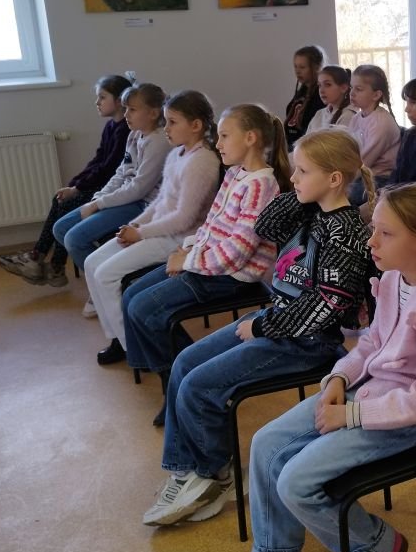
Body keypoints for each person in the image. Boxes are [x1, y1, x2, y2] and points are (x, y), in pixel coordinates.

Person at [217, 184, 416, 552]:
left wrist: (351, 414)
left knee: (295, 482)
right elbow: (371, 342)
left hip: (407, 419)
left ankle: (377, 548)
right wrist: (340, 377)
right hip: (367, 391)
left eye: (385, 234)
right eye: (374, 229)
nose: (371, 241)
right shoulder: (394, 277)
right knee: (265, 443)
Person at [142, 130, 373, 527]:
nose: (293, 178)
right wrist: (303, 194)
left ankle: (211, 475)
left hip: (307, 342)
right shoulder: (310, 209)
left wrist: (264, 326)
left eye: (302, 171)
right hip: (278, 323)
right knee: (184, 363)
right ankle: (189, 469)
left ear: (334, 179)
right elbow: (265, 225)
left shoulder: (345, 234)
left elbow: (325, 308)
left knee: (199, 386)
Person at [122, 105, 293, 390]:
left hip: (232, 277)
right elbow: (210, 224)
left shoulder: (261, 185)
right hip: (209, 263)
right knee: (131, 294)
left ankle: (180, 377)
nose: (218, 143)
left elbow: (237, 253)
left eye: (225, 136)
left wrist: (188, 262)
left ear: (250, 138)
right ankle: (174, 372)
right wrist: (189, 250)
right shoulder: (235, 173)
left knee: (143, 308)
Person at [86, 91, 221, 366]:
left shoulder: (203, 161)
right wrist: (137, 224)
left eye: (173, 122)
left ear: (196, 125)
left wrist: (141, 233)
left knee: (106, 275)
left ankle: (133, 348)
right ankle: (118, 338)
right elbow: (160, 201)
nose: (166, 127)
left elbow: (183, 218)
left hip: (177, 239)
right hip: (157, 230)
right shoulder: (177, 154)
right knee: (92, 263)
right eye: (166, 121)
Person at [0, 74, 132, 286]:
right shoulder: (110, 126)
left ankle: (47, 262)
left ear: (119, 101)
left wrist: (77, 189)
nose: (97, 102)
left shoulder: (125, 130)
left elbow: (108, 170)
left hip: (111, 189)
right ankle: (45, 261)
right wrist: (74, 184)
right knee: (60, 199)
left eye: (102, 97)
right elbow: (97, 160)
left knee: (66, 203)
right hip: (101, 185)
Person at [51, 83, 171, 300]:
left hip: (142, 205)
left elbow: (139, 188)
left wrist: (98, 204)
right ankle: (103, 285)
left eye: (132, 109)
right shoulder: (134, 135)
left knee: (74, 239)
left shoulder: (158, 141)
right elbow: (121, 172)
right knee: (60, 228)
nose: (126, 115)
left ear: (153, 113)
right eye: (125, 109)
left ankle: (107, 290)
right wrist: (99, 198)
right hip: (124, 198)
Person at [347, 64, 401, 204]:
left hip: (381, 178)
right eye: (351, 87)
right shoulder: (356, 118)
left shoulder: (382, 123)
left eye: (359, 89)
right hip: (361, 174)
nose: (352, 93)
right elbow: (348, 150)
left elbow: (364, 162)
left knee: (342, 193)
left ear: (376, 95)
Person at [283, 45, 326, 144]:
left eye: (302, 67)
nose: (297, 71)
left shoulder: (321, 94)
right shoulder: (302, 91)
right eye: (295, 66)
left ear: (316, 67)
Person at [304, 66, 358, 134]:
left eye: (327, 85)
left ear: (343, 88)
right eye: (319, 85)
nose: (321, 91)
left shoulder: (348, 116)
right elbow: (306, 139)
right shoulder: (319, 113)